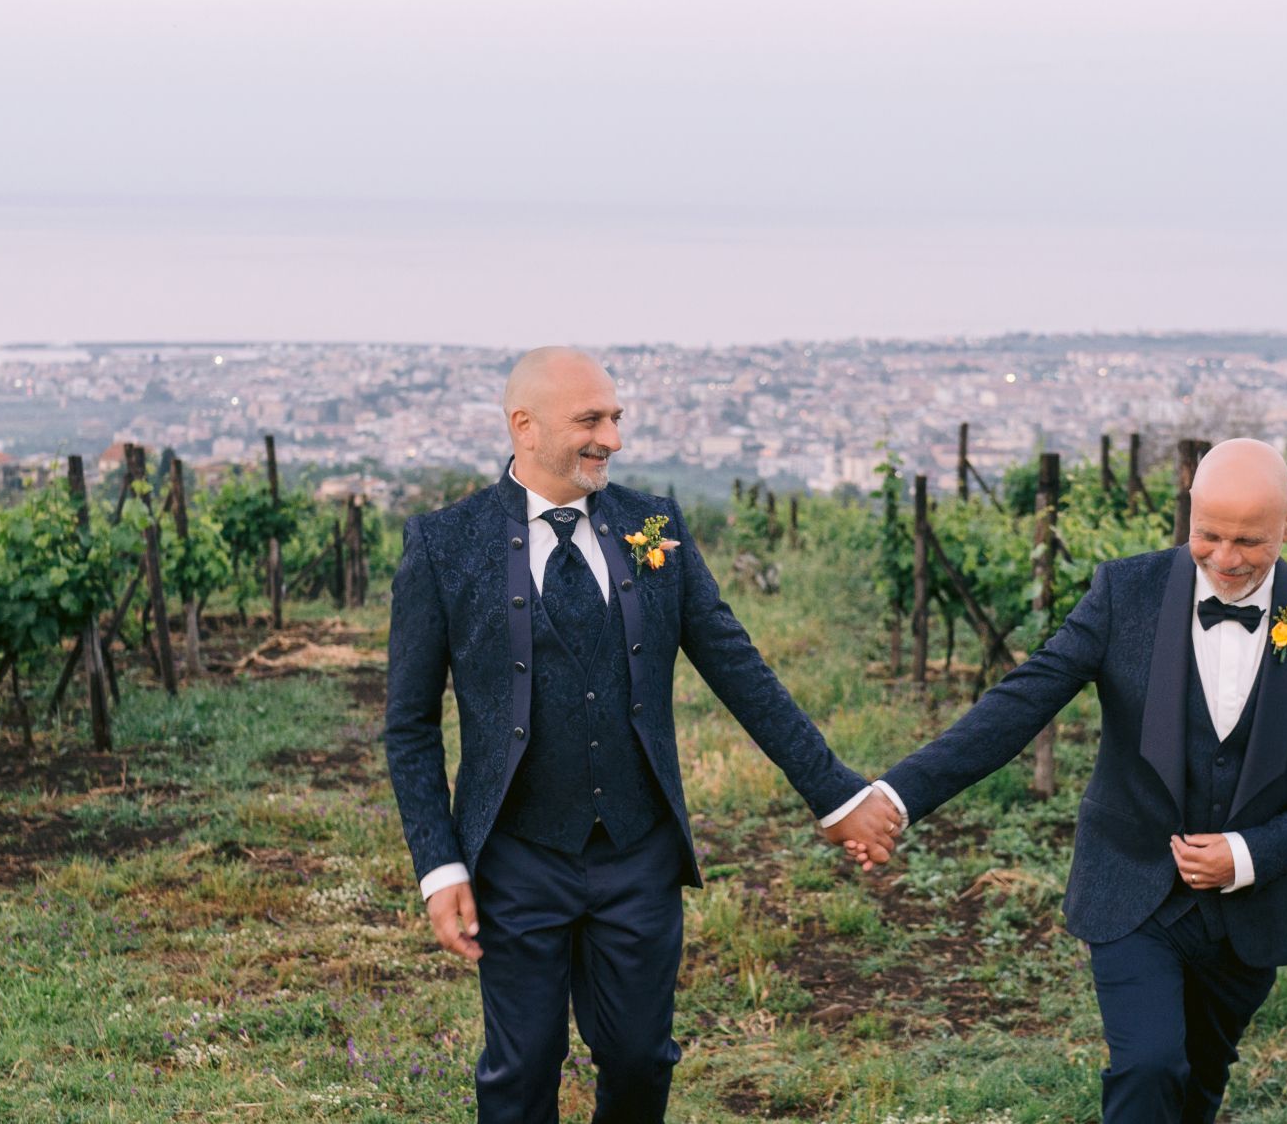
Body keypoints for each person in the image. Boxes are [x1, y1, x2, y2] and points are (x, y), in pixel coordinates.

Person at [384, 346, 901, 1124]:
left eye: (616, 417)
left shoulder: (652, 526)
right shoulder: (444, 544)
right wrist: (439, 864)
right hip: (516, 856)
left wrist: (837, 794)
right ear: (524, 426)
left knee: (641, 1061)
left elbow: (740, 670)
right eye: (590, 420)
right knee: (520, 1071)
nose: (613, 439)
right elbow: (409, 725)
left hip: (638, 850)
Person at [847, 438, 1287, 1124]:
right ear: (1189, 509)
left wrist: (1248, 854)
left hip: (1249, 915)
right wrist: (896, 794)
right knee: (1148, 1064)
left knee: (1199, 1081)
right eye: (1208, 534)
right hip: (1131, 887)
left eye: (1249, 541)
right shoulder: (1125, 593)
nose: (1225, 558)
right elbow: (1022, 701)